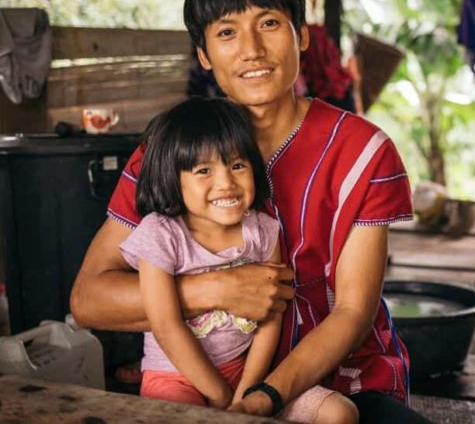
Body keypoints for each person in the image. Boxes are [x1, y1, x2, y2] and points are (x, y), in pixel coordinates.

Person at [71, 0, 430, 422]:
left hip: (343, 386)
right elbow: (88, 300)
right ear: (203, 54)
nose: (252, 50)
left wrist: (264, 398)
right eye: (226, 32)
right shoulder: (169, 151)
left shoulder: (364, 152)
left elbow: (353, 311)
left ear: (301, 35)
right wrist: (216, 288)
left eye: (269, 23)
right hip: (208, 380)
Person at [120, 97, 355, 422]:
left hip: (244, 373)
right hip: (174, 376)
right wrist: (218, 394)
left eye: (237, 165)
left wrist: (248, 393)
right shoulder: (160, 235)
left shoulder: (262, 231)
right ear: (173, 178)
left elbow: (271, 318)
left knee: (340, 412)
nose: (226, 183)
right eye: (204, 170)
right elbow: (165, 325)